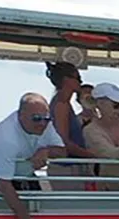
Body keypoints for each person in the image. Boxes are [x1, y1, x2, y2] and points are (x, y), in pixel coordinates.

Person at [0, 93, 66, 219]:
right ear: (21, 115)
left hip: (26, 173)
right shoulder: (5, 137)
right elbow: (4, 184)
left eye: (47, 118)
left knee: (39, 207)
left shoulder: (46, 125)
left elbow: (62, 152)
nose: (42, 123)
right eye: (36, 119)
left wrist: (47, 151)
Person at [46, 61, 95, 191]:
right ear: (66, 80)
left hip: (71, 166)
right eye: (77, 78)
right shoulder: (62, 104)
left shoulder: (62, 103)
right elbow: (64, 142)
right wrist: (91, 155)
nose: (81, 81)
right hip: (66, 168)